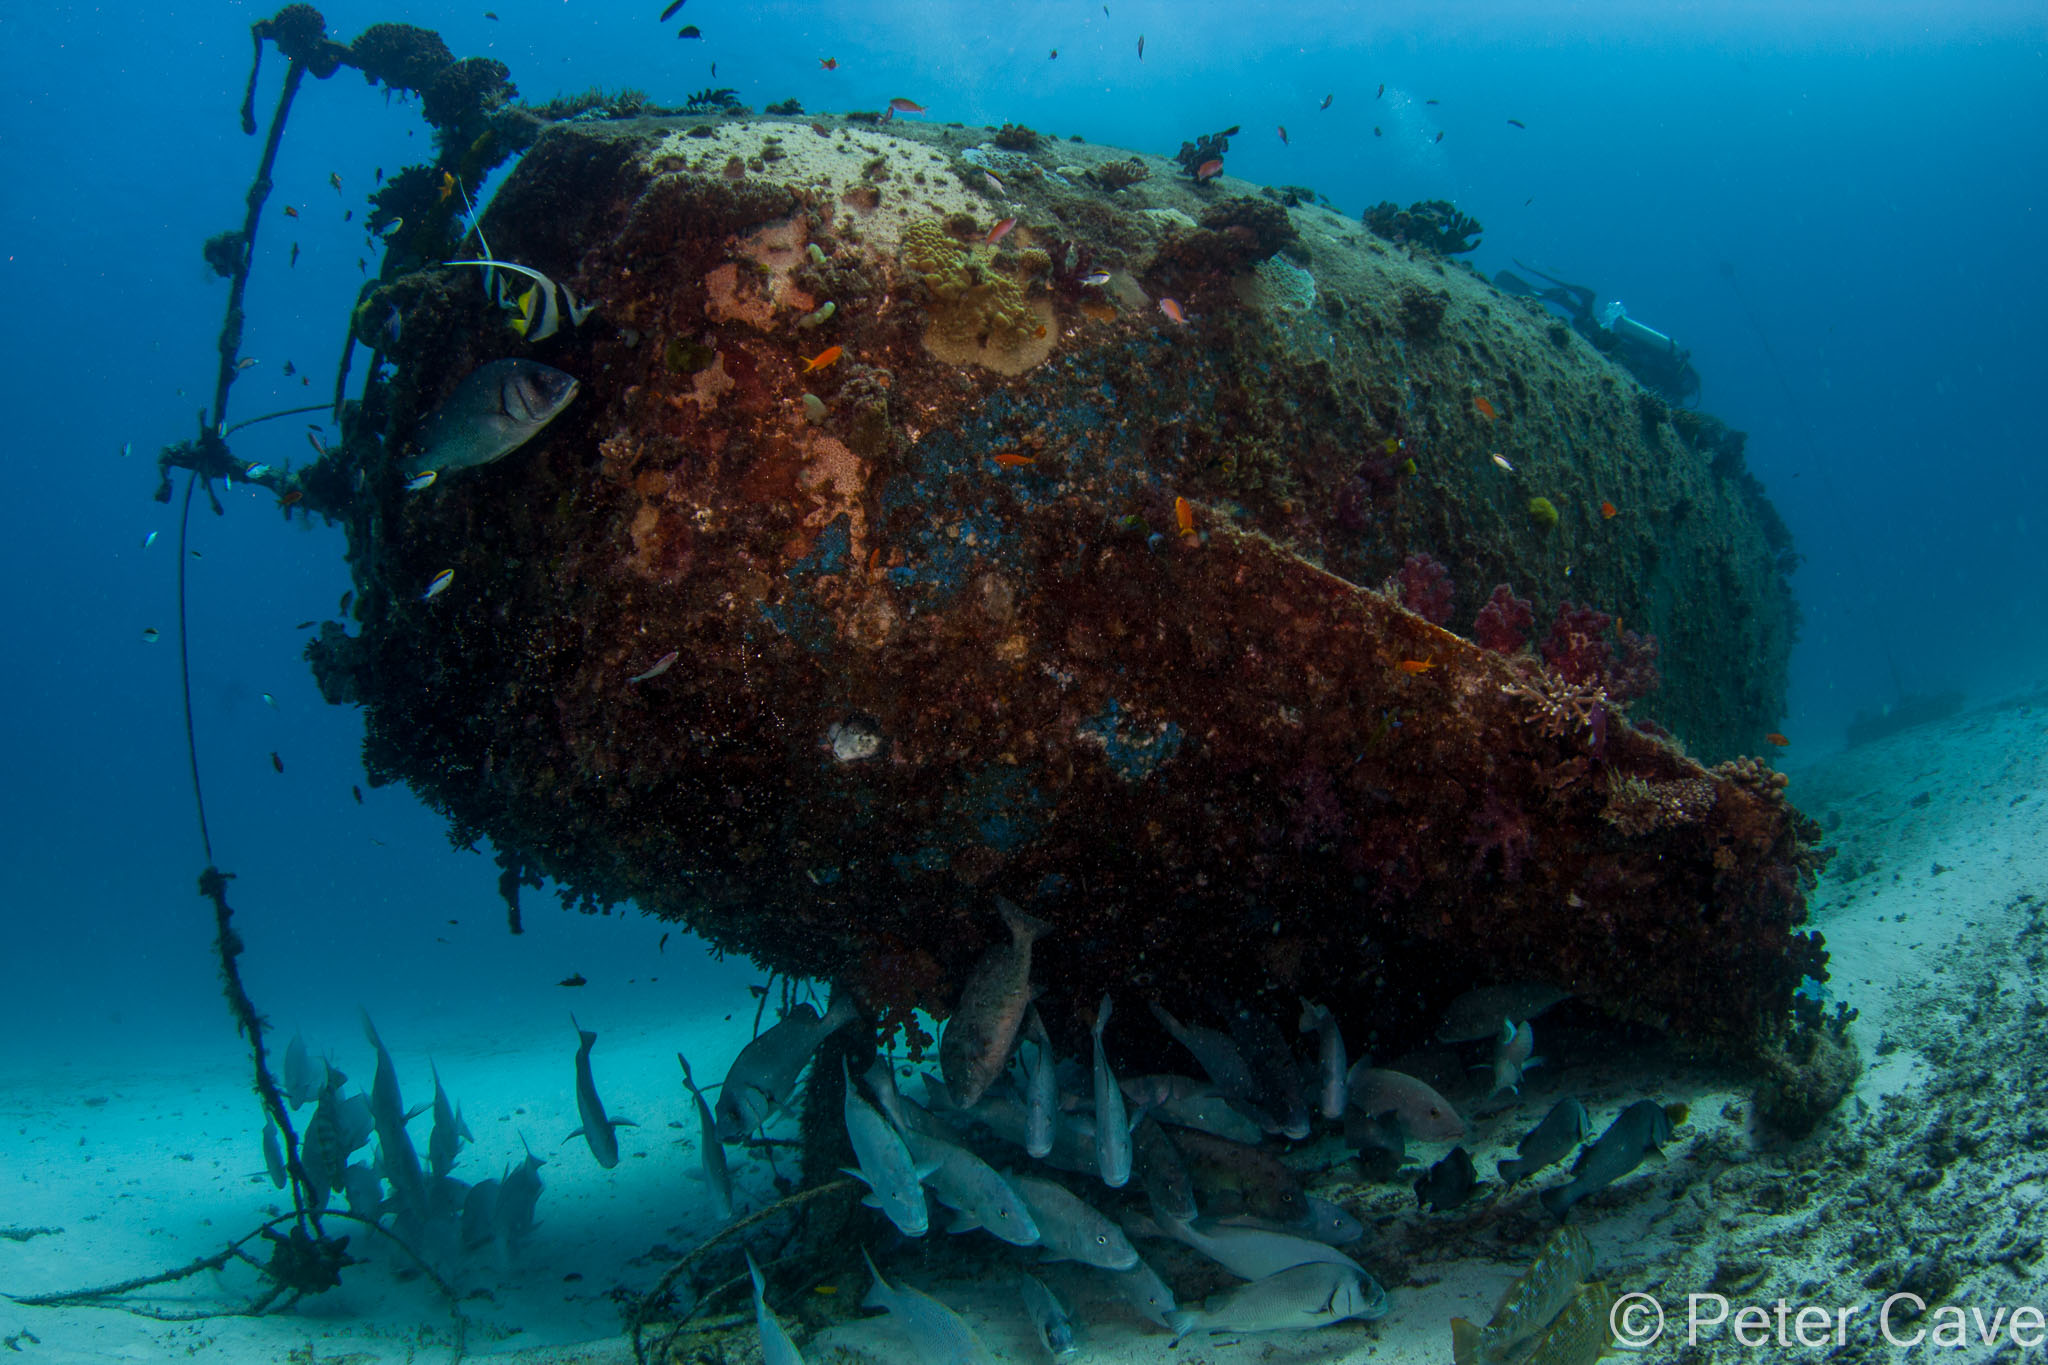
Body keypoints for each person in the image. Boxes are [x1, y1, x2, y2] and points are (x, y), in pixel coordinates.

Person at [1494, 261, 1701, 406]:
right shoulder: (1672, 379)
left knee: (1590, 329)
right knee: (1594, 333)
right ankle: (1577, 300)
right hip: (1625, 351)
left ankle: (1570, 300)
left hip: (1627, 348)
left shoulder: (1672, 367)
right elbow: (1645, 368)